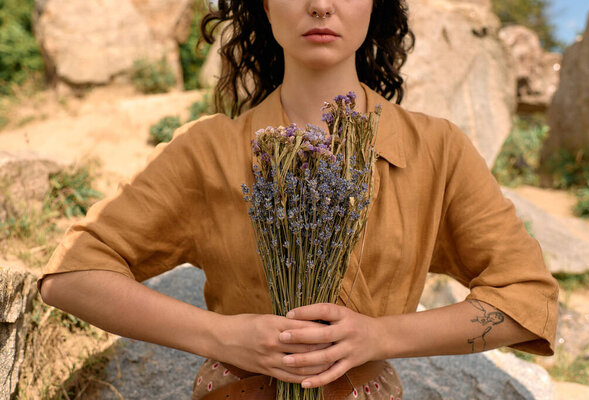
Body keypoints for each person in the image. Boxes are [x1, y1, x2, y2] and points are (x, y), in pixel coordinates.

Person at [38, 1, 559, 399]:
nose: (320, 3)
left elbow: (526, 299)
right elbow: (72, 277)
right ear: (265, 5)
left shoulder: (438, 150)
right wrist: (221, 336)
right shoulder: (207, 149)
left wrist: (380, 337)